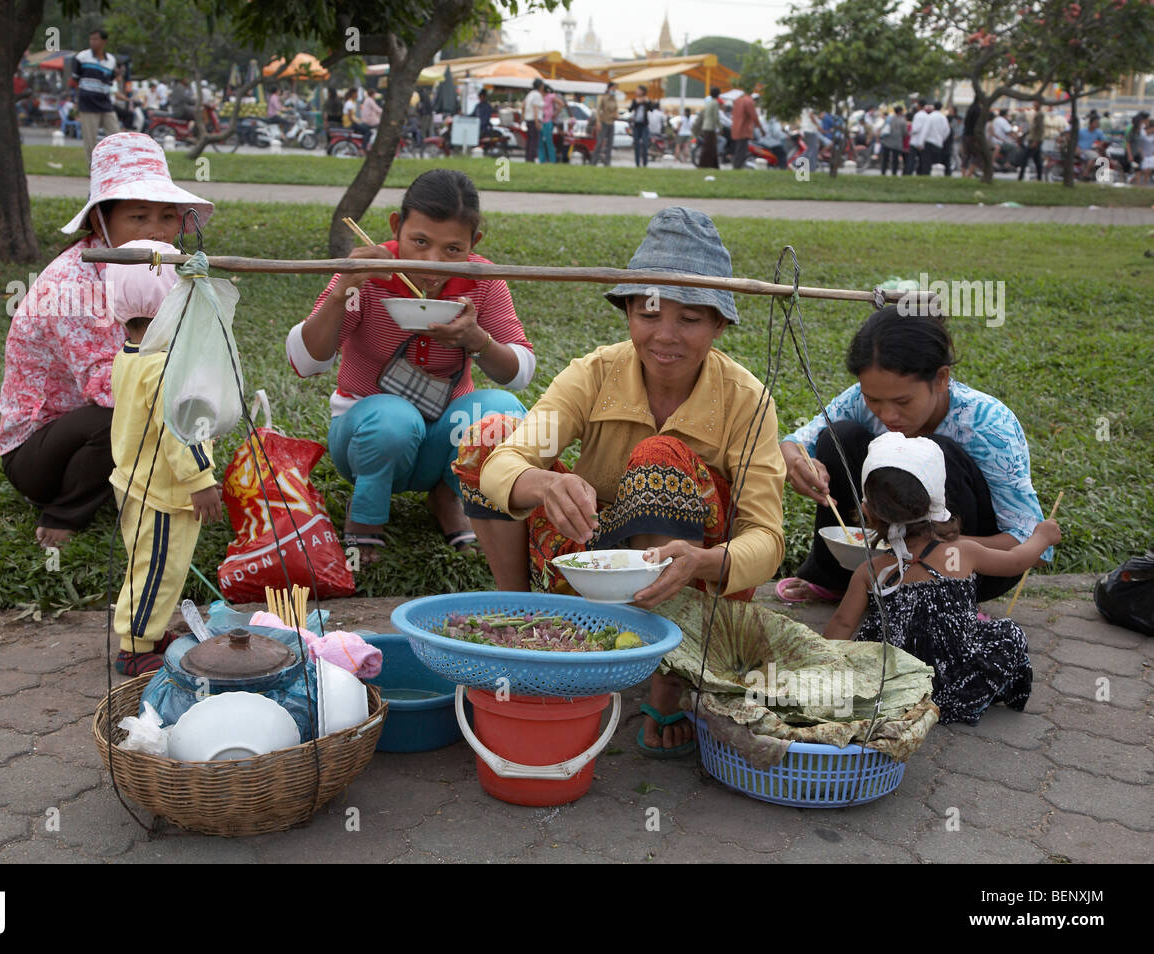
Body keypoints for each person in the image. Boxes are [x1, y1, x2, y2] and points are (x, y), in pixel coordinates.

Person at [454, 208, 786, 756]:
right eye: (650, 313)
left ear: (720, 325)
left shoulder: (747, 400)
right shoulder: (595, 372)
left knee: (660, 456)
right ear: (629, 310)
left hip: (690, 578)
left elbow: (767, 540)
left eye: (691, 319)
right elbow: (504, 461)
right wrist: (541, 484)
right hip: (591, 557)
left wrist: (702, 560)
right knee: (487, 432)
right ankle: (521, 622)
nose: (666, 336)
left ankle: (667, 671)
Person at [287, 169, 536, 563]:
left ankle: (450, 497)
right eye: (418, 242)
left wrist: (478, 341)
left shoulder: (483, 280)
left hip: (442, 439)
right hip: (366, 437)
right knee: (395, 418)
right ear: (395, 227)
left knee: (500, 412)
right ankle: (366, 517)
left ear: (474, 244)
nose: (431, 263)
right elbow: (305, 361)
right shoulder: (368, 272)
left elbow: (520, 371)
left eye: (453, 250)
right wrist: (343, 290)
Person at [0, 132, 214, 549]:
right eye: (138, 218)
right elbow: (110, 388)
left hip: (96, 424)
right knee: (129, 408)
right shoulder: (72, 285)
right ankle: (65, 510)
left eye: (168, 218)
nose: (157, 231)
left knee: (161, 398)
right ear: (101, 221)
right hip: (39, 452)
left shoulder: (155, 269)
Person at [777, 306, 1051, 606]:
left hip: (967, 562)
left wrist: (932, 547)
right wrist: (797, 463)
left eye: (902, 401)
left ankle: (945, 596)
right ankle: (839, 580)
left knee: (933, 452)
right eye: (873, 399)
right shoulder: (860, 400)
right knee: (838, 437)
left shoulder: (988, 425)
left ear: (941, 378)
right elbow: (797, 442)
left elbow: (1028, 540)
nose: (887, 414)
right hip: (885, 548)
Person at [825, 433, 1061, 725]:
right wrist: (1041, 537)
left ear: (867, 510)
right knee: (1008, 634)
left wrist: (819, 668)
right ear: (938, 502)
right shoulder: (963, 553)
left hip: (893, 684)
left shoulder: (871, 571)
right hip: (956, 681)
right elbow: (1016, 561)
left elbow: (843, 624)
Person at [103, 239, 223, 676]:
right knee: (159, 568)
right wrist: (202, 481)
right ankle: (135, 645)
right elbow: (182, 430)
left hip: (135, 481)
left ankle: (148, 631)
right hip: (163, 492)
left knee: (152, 565)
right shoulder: (165, 367)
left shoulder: (131, 356)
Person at [71, 28, 121, 163]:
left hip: (105, 103)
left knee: (115, 135)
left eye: (96, 39)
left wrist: (117, 75)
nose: (92, 42)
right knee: (90, 140)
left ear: (104, 41)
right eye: (91, 39)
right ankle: (92, 169)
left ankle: (114, 165)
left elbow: (110, 81)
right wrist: (75, 101)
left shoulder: (111, 60)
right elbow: (73, 81)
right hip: (87, 103)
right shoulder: (82, 57)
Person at [730, 88, 763, 169]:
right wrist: (762, 129)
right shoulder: (748, 101)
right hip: (743, 130)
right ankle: (737, 166)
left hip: (736, 129)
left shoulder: (738, 100)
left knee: (739, 149)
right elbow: (754, 116)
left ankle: (737, 165)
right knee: (742, 150)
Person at [1017, 102, 1045, 181]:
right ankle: (1039, 178)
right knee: (1037, 160)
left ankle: (1020, 177)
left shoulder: (1039, 115)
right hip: (1033, 139)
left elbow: (1040, 129)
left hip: (1035, 140)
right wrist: (1022, 136)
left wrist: (1036, 141)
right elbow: (1032, 129)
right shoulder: (1036, 114)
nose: (1034, 105)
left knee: (1025, 158)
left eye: (1035, 104)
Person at [539, 84, 565, 163]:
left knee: (548, 141)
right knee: (540, 142)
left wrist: (554, 114)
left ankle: (552, 160)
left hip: (547, 121)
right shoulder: (539, 96)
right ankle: (542, 160)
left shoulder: (551, 96)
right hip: (540, 121)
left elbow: (561, 104)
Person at [697, 87, 721, 169]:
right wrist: (720, 127)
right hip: (710, 128)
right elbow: (715, 117)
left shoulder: (708, 102)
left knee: (711, 147)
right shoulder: (715, 103)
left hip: (705, 126)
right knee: (708, 147)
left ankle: (714, 165)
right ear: (718, 95)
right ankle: (702, 164)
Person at [595, 81, 618, 166]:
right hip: (603, 122)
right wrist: (598, 122)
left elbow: (616, 110)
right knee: (600, 142)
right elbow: (598, 110)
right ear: (609, 88)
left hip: (611, 122)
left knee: (610, 143)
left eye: (615, 89)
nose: (614, 90)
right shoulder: (603, 98)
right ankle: (593, 162)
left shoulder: (614, 98)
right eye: (613, 88)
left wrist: (616, 115)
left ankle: (607, 163)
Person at [629, 85, 652, 167]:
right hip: (636, 125)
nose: (636, 91)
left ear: (642, 91)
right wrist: (636, 102)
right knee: (636, 144)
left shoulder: (647, 100)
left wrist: (648, 102)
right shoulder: (635, 100)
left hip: (644, 125)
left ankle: (645, 163)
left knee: (645, 144)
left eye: (638, 90)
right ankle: (637, 163)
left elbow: (651, 108)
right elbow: (630, 109)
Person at [522, 78, 544, 163]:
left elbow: (523, 106)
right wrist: (537, 122)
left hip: (528, 119)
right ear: (540, 86)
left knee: (530, 140)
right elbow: (536, 108)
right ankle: (531, 159)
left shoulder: (529, 94)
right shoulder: (537, 95)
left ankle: (528, 158)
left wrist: (523, 117)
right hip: (534, 119)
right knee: (534, 141)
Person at [879, 105, 905, 175]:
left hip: (886, 141)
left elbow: (883, 128)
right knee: (895, 159)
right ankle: (894, 172)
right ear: (900, 111)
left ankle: (883, 172)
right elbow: (904, 132)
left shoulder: (889, 118)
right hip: (897, 143)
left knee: (885, 158)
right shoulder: (902, 120)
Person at [961, 99, 982, 177]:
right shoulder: (978, 110)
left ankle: (963, 175)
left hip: (965, 135)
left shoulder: (970, 108)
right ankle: (969, 174)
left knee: (966, 155)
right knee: (978, 156)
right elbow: (977, 125)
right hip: (973, 136)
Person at [1135, 115, 1154, 187]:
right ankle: (1133, 182)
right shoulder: (1143, 134)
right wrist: (1141, 153)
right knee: (1142, 171)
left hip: (1150, 155)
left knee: (1148, 171)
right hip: (1143, 155)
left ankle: (1144, 185)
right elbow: (1139, 145)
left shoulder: (1153, 136)